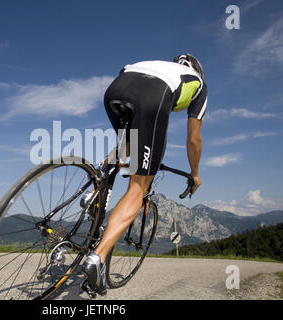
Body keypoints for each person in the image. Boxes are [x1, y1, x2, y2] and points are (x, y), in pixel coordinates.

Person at [81, 53, 208, 296]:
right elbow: (193, 139)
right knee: (138, 188)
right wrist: (195, 173)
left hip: (117, 87)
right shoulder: (199, 84)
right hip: (152, 96)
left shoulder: (158, 64)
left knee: (128, 143)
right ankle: (97, 258)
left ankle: (94, 191)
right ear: (197, 70)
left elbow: (125, 73)